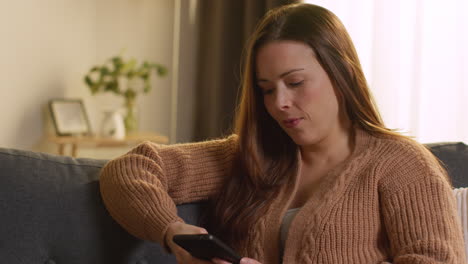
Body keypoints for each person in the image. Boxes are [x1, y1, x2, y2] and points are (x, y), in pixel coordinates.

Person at [99, 3, 466, 264]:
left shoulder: (402, 166)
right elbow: (130, 170)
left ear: (343, 75)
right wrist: (172, 231)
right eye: (267, 88)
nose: (280, 103)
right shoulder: (250, 154)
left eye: (295, 82)